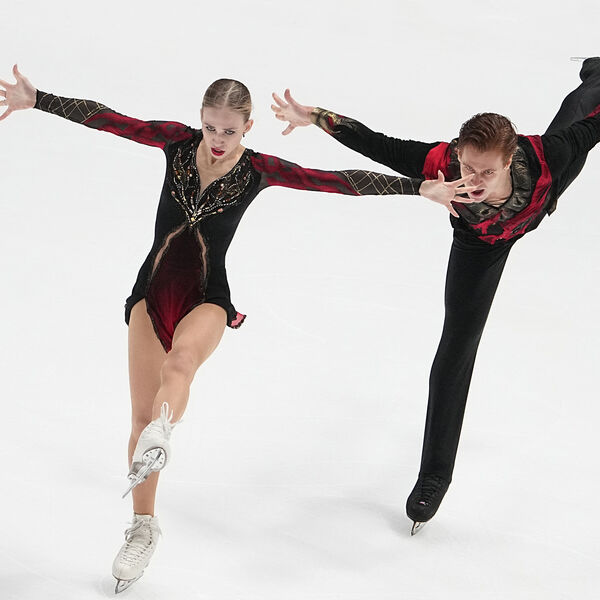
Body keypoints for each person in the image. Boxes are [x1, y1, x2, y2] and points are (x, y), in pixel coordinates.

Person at [0, 65, 477, 592]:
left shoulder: (259, 170)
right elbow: (111, 119)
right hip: (150, 293)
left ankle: (164, 432)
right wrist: (39, 99)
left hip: (207, 298)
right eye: (211, 127)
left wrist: (416, 188)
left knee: (181, 364)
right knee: (138, 419)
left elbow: (336, 182)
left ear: (248, 126)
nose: (218, 138)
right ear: (200, 120)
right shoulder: (176, 144)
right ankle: (142, 527)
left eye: (229, 130)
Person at [271, 57, 600, 535]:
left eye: (486, 171)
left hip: (541, 196)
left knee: (580, 114)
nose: (473, 180)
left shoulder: (550, 154)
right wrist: (317, 116)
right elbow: (379, 145)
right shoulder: (442, 164)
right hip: (480, 246)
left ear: (509, 159)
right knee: (455, 350)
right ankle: (434, 476)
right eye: (468, 166)